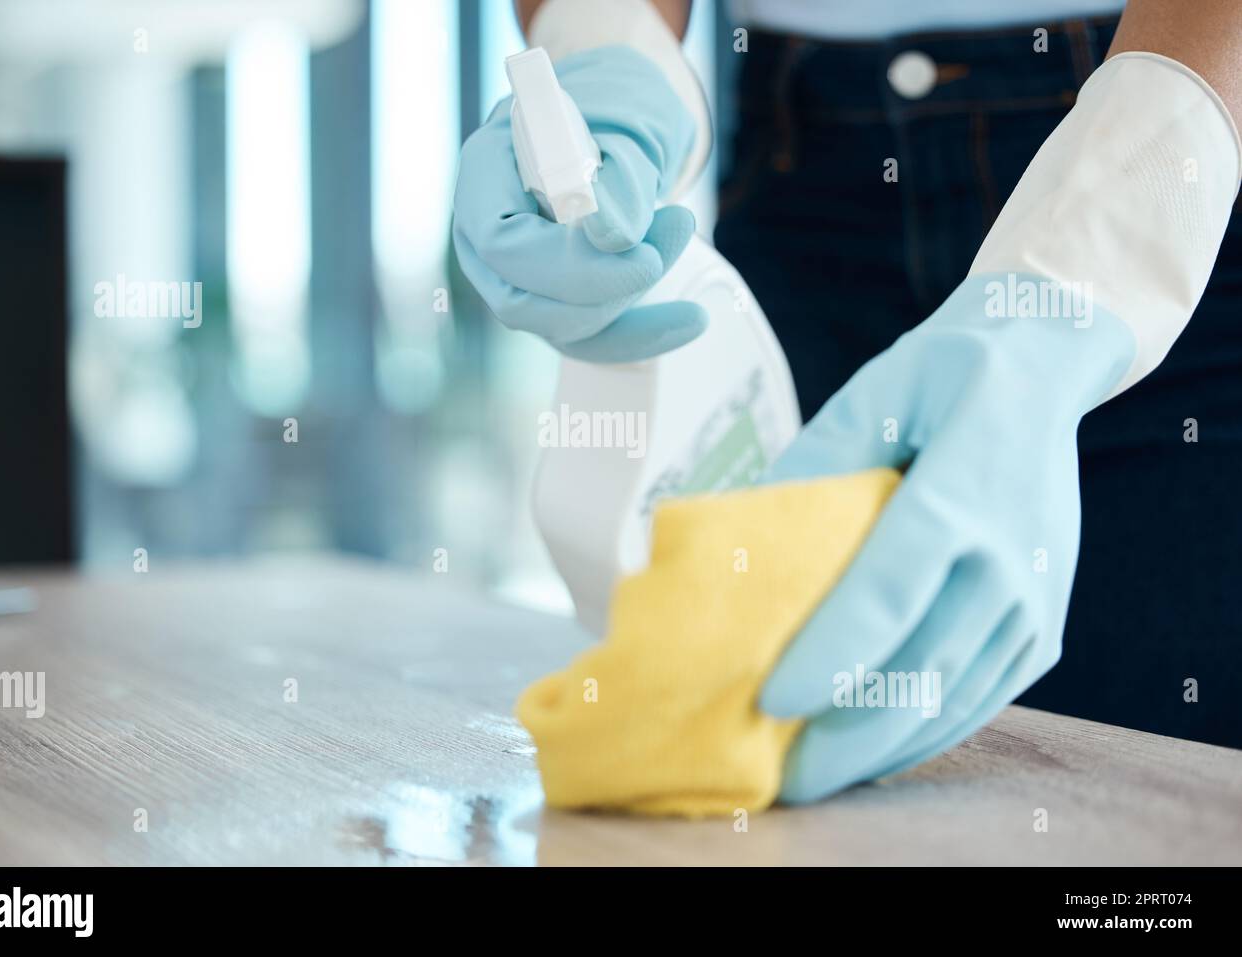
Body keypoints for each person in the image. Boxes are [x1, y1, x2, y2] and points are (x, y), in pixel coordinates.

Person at [454, 0, 1242, 801]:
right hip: (804, 175)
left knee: (1165, 795)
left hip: (1183, 140)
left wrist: (1130, 208)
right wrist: (603, 39)